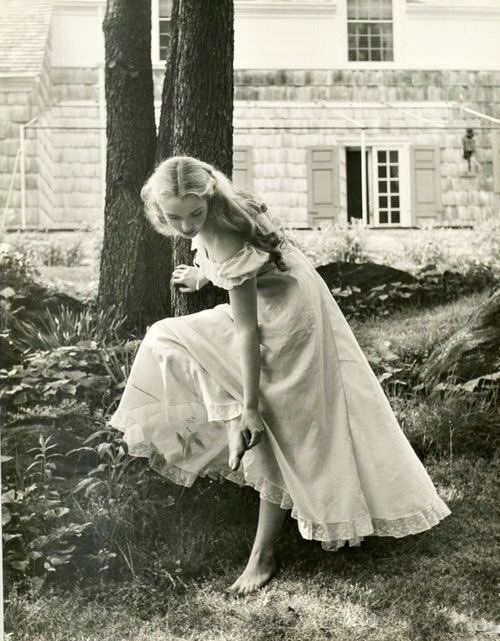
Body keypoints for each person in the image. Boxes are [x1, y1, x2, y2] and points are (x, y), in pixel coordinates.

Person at [108, 155, 451, 597]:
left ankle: (262, 551)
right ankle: (236, 417)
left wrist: (250, 406)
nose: (189, 225)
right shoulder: (222, 214)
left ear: (209, 197)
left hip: (290, 322)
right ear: (158, 211)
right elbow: (241, 276)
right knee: (165, 338)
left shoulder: (225, 226)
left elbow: (247, 326)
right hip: (275, 301)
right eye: (176, 217)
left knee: (278, 423)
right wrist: (203, 276)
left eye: (196, 213)